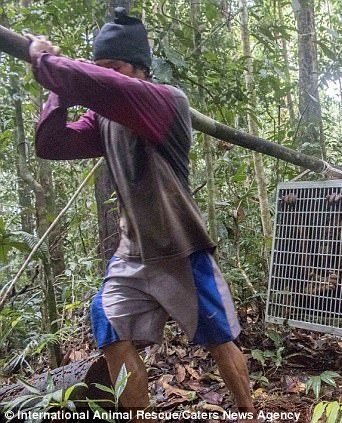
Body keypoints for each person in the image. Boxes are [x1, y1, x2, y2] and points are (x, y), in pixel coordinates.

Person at [27, 9, 255, 421]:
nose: (106, 77)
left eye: (114, 68)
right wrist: (57, 91)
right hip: (132, 254)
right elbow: (54, 144)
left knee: (218, 336)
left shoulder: (164, 101)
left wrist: (45, 60)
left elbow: (107, 89)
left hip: (180, 248)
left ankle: (248, 411)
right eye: (101, 69)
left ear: (141, 70)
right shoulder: (104, 118)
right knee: (107, 324)